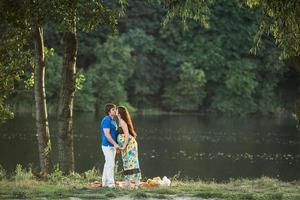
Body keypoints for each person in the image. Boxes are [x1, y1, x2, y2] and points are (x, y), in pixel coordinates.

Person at [116, 106, 142, 188]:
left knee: (132, 162)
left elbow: (127, 136)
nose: (115, 111)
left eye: (116, 110)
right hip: (125, 145)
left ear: (119, 113)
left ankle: (137, 183)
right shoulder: (119, 121)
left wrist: (123, 146)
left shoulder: (123, 122)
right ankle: (127, 182)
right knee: (126, 162)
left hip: (130, 144)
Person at [100, 103, 120, 188]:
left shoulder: (113, 120)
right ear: (109, 111)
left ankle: (104, 183)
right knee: (111, 164)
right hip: (107, 146)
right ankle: (111, 184)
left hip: (112, 146)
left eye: (115, 109)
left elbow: (114, 134)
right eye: (113, 109)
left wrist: (117, 145)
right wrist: (115, 144)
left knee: (108, 163)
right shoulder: (106, 120)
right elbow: (107, 134)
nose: (115, 110)